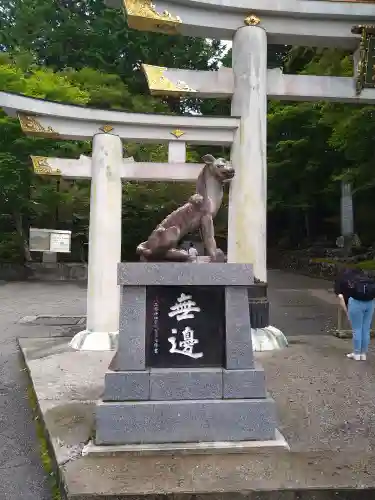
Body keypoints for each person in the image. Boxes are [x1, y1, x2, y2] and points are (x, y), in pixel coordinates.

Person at [334, 267, 375, 361]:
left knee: (357, 329)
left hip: (356, 303)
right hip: (370, 302)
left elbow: (341, 298)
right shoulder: (364, 277)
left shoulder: (341, 280)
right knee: (366, 329)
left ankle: (356, 353)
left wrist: (347, 312)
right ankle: (363, 354)